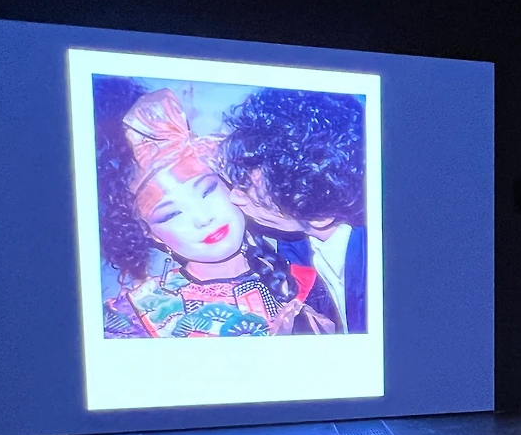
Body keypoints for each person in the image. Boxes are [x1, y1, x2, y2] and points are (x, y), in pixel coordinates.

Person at [96, 83, 329, 337]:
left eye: (207, 190)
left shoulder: (314, 273)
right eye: (171, 214)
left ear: (230, 185)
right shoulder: (135, 317)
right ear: (151, 234)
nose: (202, 218)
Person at [222, 89, 367, 334]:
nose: (234, 196)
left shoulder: (374, 266)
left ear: (319, 216)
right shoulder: (293, 245)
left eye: (248, 189)